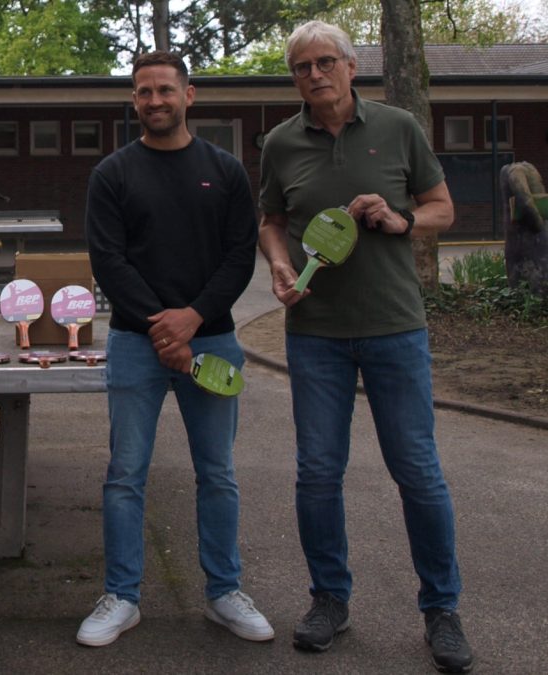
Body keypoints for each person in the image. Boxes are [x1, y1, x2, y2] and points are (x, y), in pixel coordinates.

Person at [257, 21, 473, 673]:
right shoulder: (280, 142)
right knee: (318, 472)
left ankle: (442, 609)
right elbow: (271, 221)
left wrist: (402, 220)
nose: (315, 74)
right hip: (315, 333)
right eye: (302, 67)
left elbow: (443, 208)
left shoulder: (398, 127)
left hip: (394, 328)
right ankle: (329, 599)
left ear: (352, 67)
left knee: (418, 471)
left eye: (326, 62)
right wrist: (279, 264)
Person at [79, 51, 273, 648]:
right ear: (134, 100)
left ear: (190, 95)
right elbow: (108, 260)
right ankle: (122, 596)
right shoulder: (112, 174)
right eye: (144, 91)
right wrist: (163, 330)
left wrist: (192, 319)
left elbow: (239, 256)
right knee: (124, 474)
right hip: (135, 344)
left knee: (217, 473)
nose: (155, 100)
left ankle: (224, 593)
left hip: (212, 339)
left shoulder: (226, 170)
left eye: (165, 89)